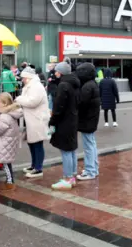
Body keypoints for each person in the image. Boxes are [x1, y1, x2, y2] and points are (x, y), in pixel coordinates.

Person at [49, 62, 81, 190]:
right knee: (71, 149)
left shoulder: (63, 85)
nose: (55, 73)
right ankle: (72, 176)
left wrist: (52, 120)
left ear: (60, 72)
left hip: (64, 122)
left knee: (66, 150)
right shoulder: (75, 84)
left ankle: (67, 178)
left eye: (56, 71)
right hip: (73, 119)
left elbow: (58, 106)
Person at [16, 67, 50, 179]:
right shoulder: (31, 86)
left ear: (28, 77)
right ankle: (34, 165)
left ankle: (38, 168)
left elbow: (32, 102)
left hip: (37, 119)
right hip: (32, 119)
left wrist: (19, 99)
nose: (22, 80)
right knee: (32, 143)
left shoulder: (36, 87)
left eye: (23, 78)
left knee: (37, 143)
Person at [0, 93, 23, 191]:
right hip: (9, 142)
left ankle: (10, 181)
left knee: (5, 163)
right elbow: (3, 125)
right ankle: (10, 179)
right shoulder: (10, 113)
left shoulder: (5, 116)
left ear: (5, 103)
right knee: (7, 162)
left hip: (5, 142)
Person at [76, 63, 101, 181]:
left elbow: (81, 104)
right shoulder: (93, 84)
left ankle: (90, 170)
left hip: (87, 120)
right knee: (91, 144)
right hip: (91, 119)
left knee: (88, 146)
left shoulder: (87, 87)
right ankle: (93, 169)